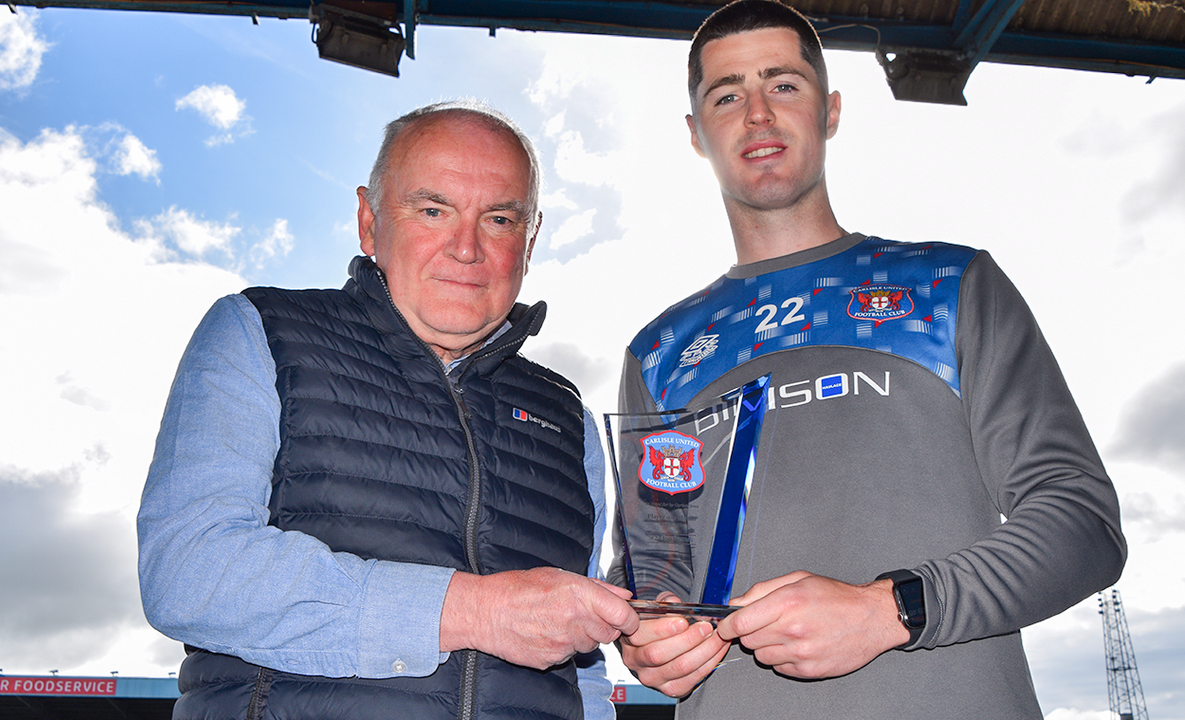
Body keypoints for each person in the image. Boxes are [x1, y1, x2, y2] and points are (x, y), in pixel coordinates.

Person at [611, 2, 1127, 717]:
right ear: (697, 133)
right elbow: (652, 567)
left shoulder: (950, 287)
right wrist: (644, 633)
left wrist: (893, 609)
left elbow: (1082, 523)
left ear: (830, 111)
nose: (757, 113)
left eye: (783, 84)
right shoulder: (661, 352)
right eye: (726, 95)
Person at [137, 100, 638, 720]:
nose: (467, 248)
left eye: (499, 219)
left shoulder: (568, 417)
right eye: (433, 210)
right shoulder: (258, 330)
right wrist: (472, 611)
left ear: (529, 240)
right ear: (369, 222)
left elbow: (583, 670)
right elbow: (189, 570)